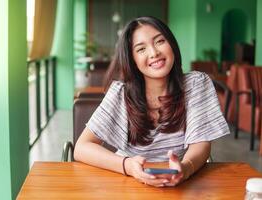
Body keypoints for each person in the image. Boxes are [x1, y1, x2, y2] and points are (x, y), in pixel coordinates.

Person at [74, 16, 230, 187]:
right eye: (141, 49)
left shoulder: (196, 85)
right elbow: (81, 147)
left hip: (181, 183)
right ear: (132, 60)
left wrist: (185, 169)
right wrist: (128, 166)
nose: (154, 53)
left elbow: (201, 144)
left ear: (171, 44)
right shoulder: (121, 93)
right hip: (127, 182)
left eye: (160, 41)